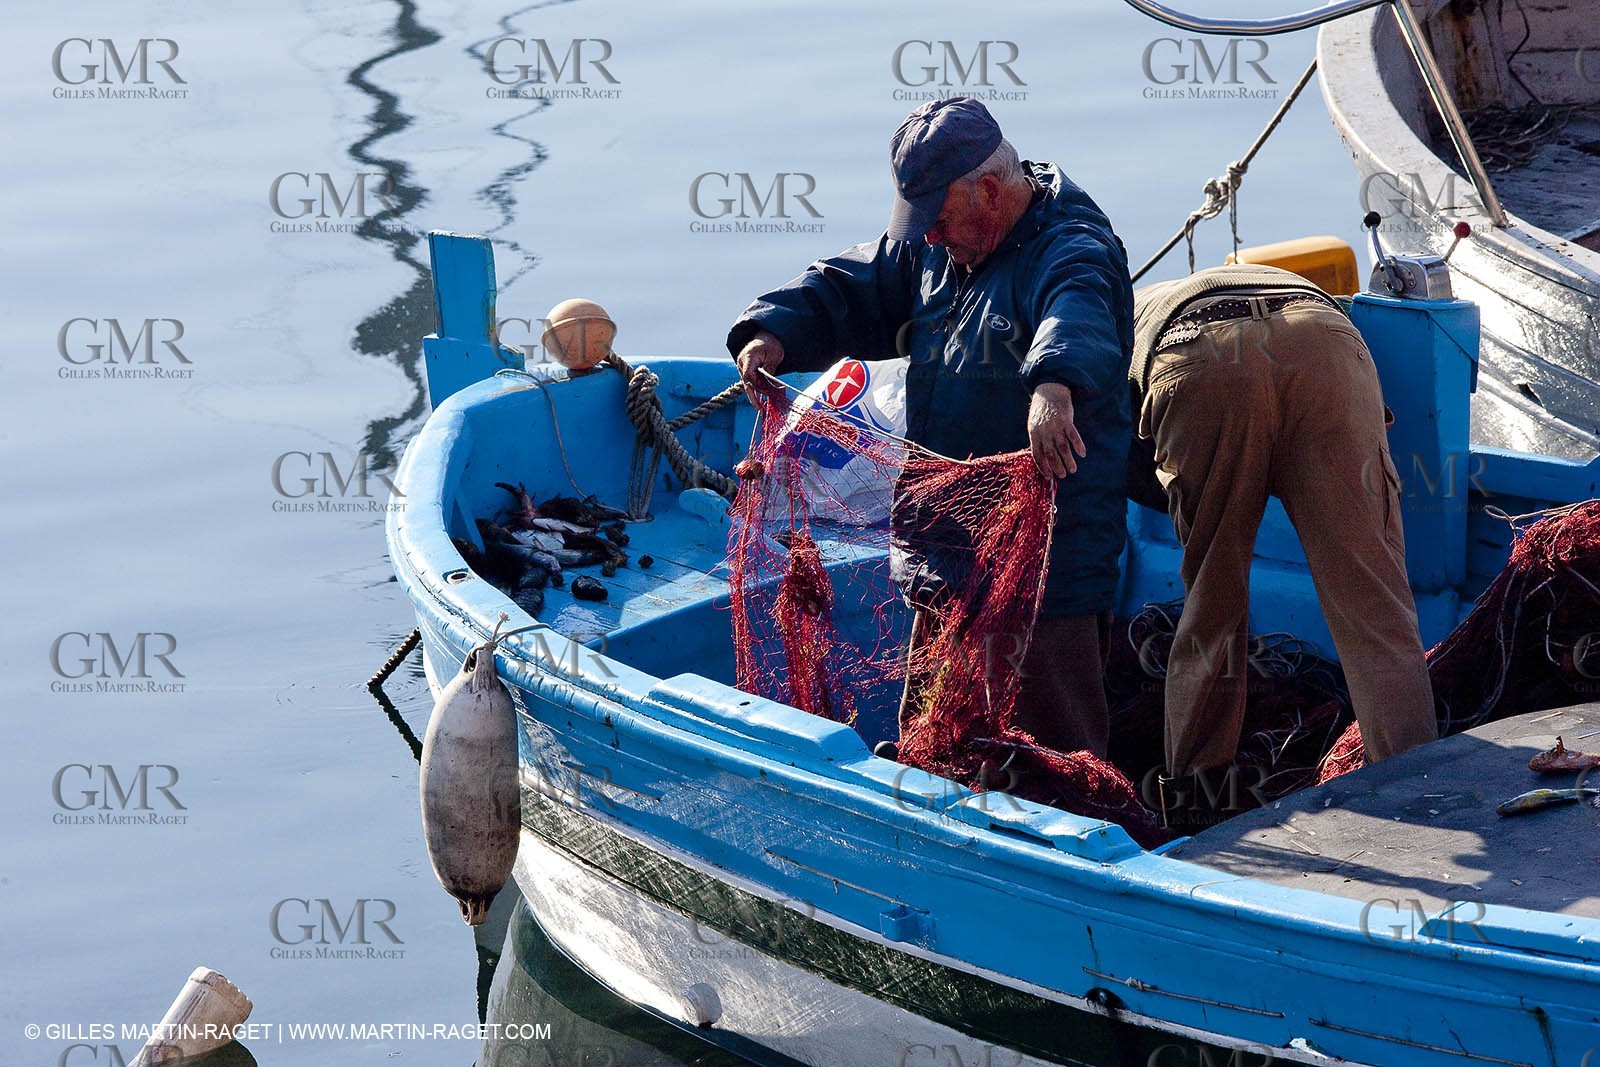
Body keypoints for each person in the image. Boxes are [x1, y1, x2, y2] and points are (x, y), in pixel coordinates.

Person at [727, 96, 1134, 758]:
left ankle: (1068, 840)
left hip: (1050, 570)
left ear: (991, 192)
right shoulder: (933, 249)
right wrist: (772, 329)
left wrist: (1054, 384)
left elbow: (1077, 312)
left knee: (1052, 749)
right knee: (939, 730)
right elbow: (849, 287)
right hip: (944, 547)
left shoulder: (1071, 247)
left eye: (939, 221)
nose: (931, 238)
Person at [1127, 264, 1438, 826]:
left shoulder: (1107, 323)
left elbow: (1119, 471)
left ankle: (1199, 806)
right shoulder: (1217, 279)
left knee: (1211, 604)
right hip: (1323, 342)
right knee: (1375, 606)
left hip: (1197, 355)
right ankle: (1411, 786)